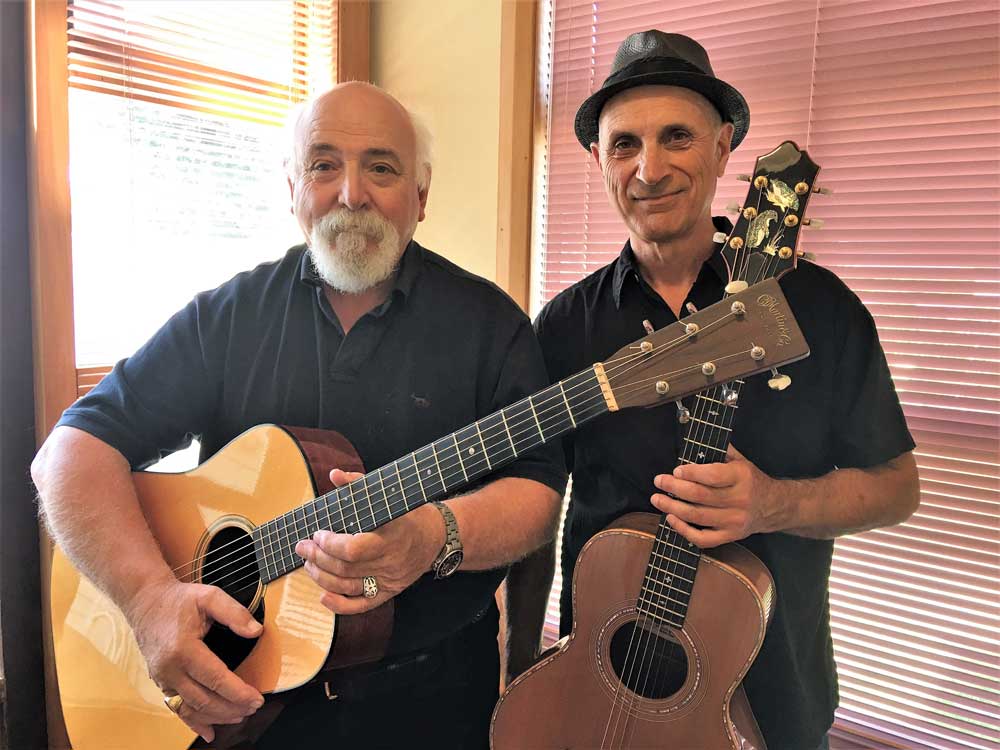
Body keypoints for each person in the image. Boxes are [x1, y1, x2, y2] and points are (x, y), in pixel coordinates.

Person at [32, 82, 566, 750]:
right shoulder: (229, 316)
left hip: (432, 707)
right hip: (242, 710)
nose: (351, 193)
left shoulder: (491, 326)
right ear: (292, 189)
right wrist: (147, 603)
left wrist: (437, 533)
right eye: (323, 165)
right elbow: (69, 450)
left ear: (420, 197)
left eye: (381, 166)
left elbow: (540, 490)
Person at [506, 30, 920, 750]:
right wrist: (520, 670)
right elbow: (539, 504)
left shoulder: (815, 307)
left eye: (677, 137)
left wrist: (775, 502)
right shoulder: (565, 325)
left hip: (773, 699)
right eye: (625, 143)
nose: (650, 167)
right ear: (598, 158)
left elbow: (897, 485)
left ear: (724, 148)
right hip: (599, 686)